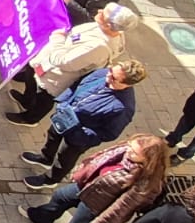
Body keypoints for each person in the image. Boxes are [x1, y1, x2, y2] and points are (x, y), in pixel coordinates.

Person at [22, 133, 168, 223]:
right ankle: (42, 217)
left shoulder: (147, 183)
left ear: (148, 159)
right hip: (87, 186)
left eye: (134, 152)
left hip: (96, 206)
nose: (128, 151)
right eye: (130, 146)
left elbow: (122, 208)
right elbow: (98, 160)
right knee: (60, 196)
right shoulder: (123, 151)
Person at [21, 60, 146, 188]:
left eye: (114, 78)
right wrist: (62, 103)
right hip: (64, 116)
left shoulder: (123, 108)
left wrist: (79, 134)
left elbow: (108, 133)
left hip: (79, 135)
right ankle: (45, 158)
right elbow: (77, 85)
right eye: (110, 71)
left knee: (64, 158)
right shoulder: (102, 74)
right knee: (52, 135)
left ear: (126, 84)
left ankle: (51, 179)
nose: (107, 76)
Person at [5, 1, 134, 124]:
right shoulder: (105, 29)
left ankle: (30, 119)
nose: (99, 11)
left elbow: (64, 62)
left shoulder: (98, 47)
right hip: (47, 65)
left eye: (103, 14)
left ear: (109, 25)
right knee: (33, 86)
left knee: (43, 99)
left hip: (54, 77)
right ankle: (27, 101)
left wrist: (58, 37)